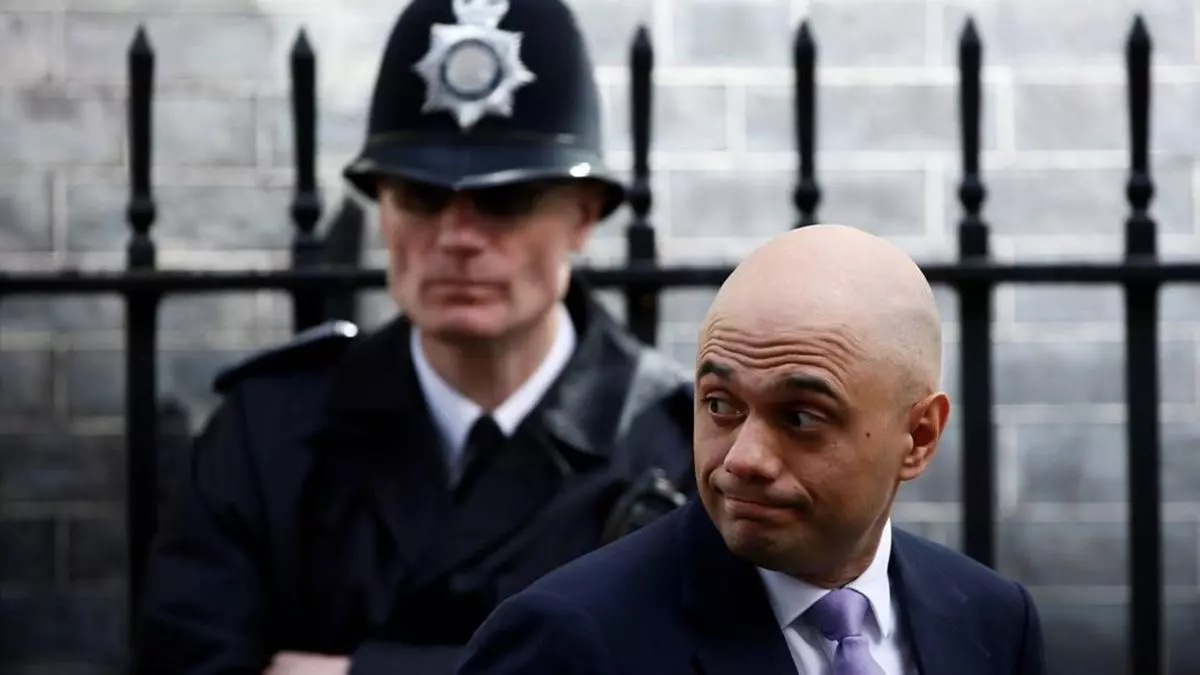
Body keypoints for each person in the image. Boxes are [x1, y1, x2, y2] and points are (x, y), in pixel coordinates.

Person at [132, 0, 695, 673]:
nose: (458, 238)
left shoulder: (679, 448)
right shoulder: (267, 433)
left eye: (505, 201)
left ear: (583, 216)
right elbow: (187, 655)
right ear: (382, 209)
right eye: (421, 197)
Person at [456, 224, 1047, 675]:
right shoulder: (569, 641)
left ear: (918, 437)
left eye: (800, 417)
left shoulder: (993, 620)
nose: (743, 458)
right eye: (720, 405)